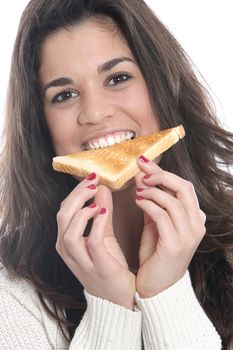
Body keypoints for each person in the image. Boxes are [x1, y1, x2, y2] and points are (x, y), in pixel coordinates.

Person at [0, 0, 233, 348]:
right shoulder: (11, 293)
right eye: (64, 94)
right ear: (41, 125)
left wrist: (166, 292)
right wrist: (109, 305)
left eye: (118, 78)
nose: (94, 113)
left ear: (161, 85)